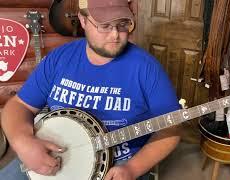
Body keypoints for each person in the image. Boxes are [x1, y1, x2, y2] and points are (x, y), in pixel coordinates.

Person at [0, 0, 181, 179]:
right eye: (105, 25)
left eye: (122, 24)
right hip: (54, 149)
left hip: (119, 163)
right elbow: (18, 106)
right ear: (83, 20)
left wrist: (133, 169)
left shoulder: (147, 68)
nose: (115, 35)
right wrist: (23, 142)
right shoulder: (59, 59)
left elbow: (170, 129)